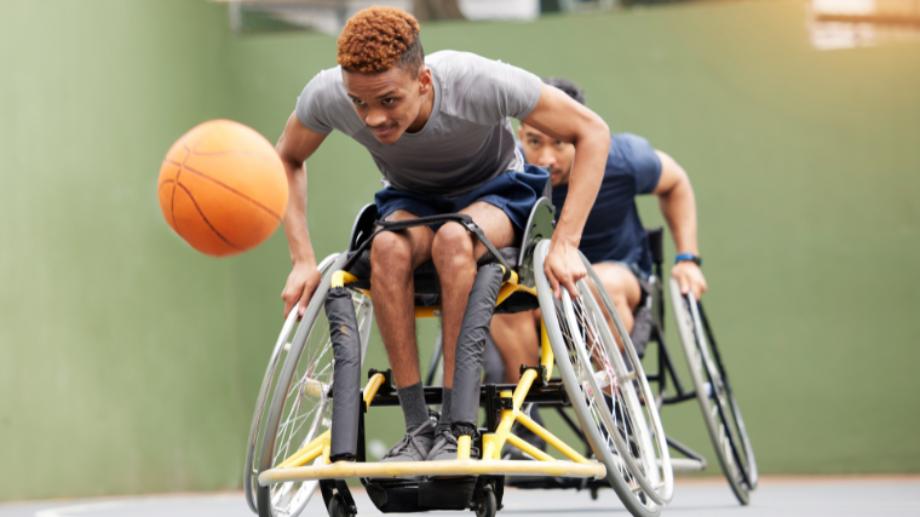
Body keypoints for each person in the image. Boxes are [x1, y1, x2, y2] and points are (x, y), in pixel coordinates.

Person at [275, 8, 611, 462]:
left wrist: (567, 244)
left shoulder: (478, 82)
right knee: (387, 248)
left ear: (424, 82)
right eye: (360, 104)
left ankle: (458, 424)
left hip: (496, 192)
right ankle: (418, 429)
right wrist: (300, 259)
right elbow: (286, 158)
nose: (372, 118)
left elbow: (593, 130)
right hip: (411, 198)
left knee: (454, 238)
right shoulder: (329, 95)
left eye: (389, 101)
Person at [491, 77, 707, 385]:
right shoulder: (510, 170)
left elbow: (676, 182)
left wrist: (688, 258)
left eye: (560, 143)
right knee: (503, 301)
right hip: (543, 295)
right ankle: (529, 420)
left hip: (619, 278)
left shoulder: (622, 160)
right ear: (521, 134)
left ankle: (609, 410)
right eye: (535, 142)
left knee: (596, 285)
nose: (546, 159)